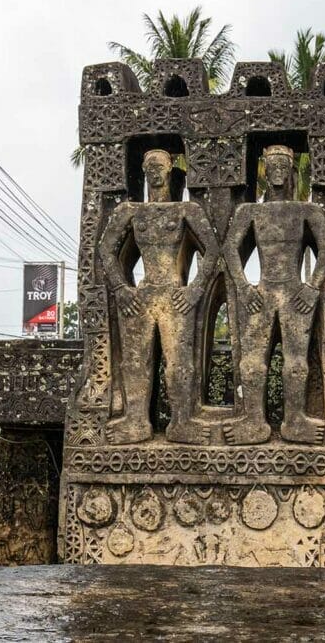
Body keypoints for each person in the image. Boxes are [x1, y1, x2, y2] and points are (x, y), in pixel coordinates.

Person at [99, 149, 220, 445]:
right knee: (135, 361)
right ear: (143, 170)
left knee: (178, 362)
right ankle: (136, 419)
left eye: (160, 166)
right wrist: (120, 287)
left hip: (174, 294)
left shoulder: (185, 211)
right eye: (149, 166)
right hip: (143, 294)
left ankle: (182, 420)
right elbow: (106, 250)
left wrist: (194, 289)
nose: (154, 171)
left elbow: (213, 250)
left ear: (170, 170)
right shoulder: (130, 211)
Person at [223, 145, 325, 445]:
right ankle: (253, 419)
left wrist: (312, 287)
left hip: (295, 291)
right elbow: (231, 249)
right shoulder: (251, 212)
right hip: (263, 290)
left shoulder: (306, 211)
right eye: (272, 165)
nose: (277, 171)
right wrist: (244, 286)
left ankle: (295, 419)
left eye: (283, 165)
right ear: (264, 170)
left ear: (291, 170)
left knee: (296, 362)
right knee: (252, 362)